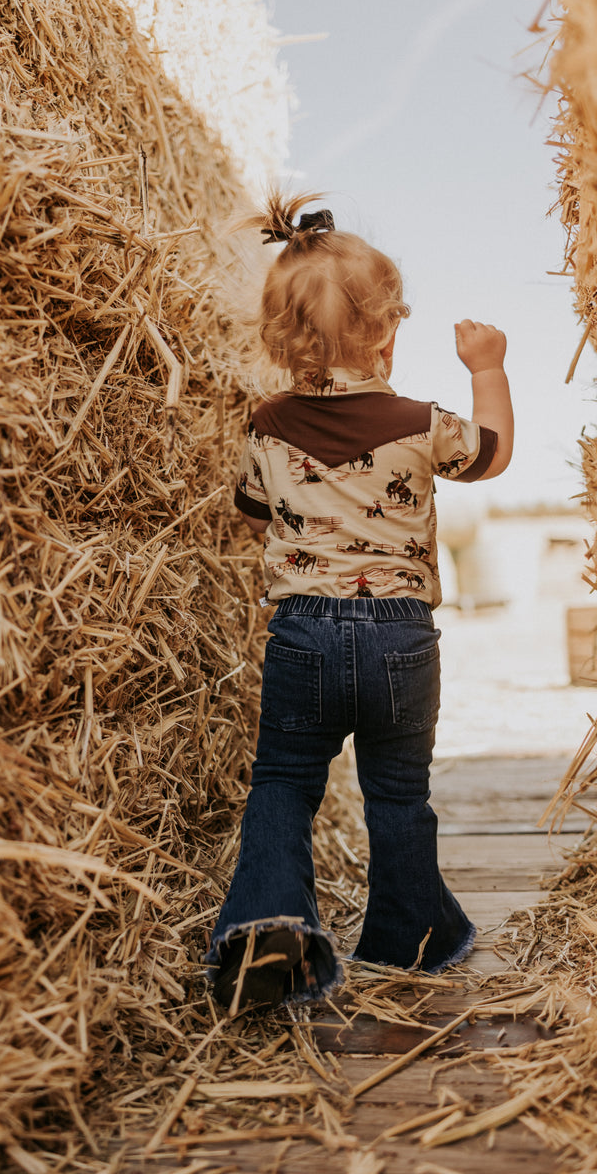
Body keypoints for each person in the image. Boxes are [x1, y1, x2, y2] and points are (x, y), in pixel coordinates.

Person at [204, 192, 513, 1012]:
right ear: (387, 331)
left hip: (303, 632)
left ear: (279, 338)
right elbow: (490, 458)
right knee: (399, 793)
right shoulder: (420, 421)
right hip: (400, 643)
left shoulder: (267, 424)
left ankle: (270, 928)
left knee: (284, 783)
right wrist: (488, 370)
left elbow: (249, 505)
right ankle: (410, 937)